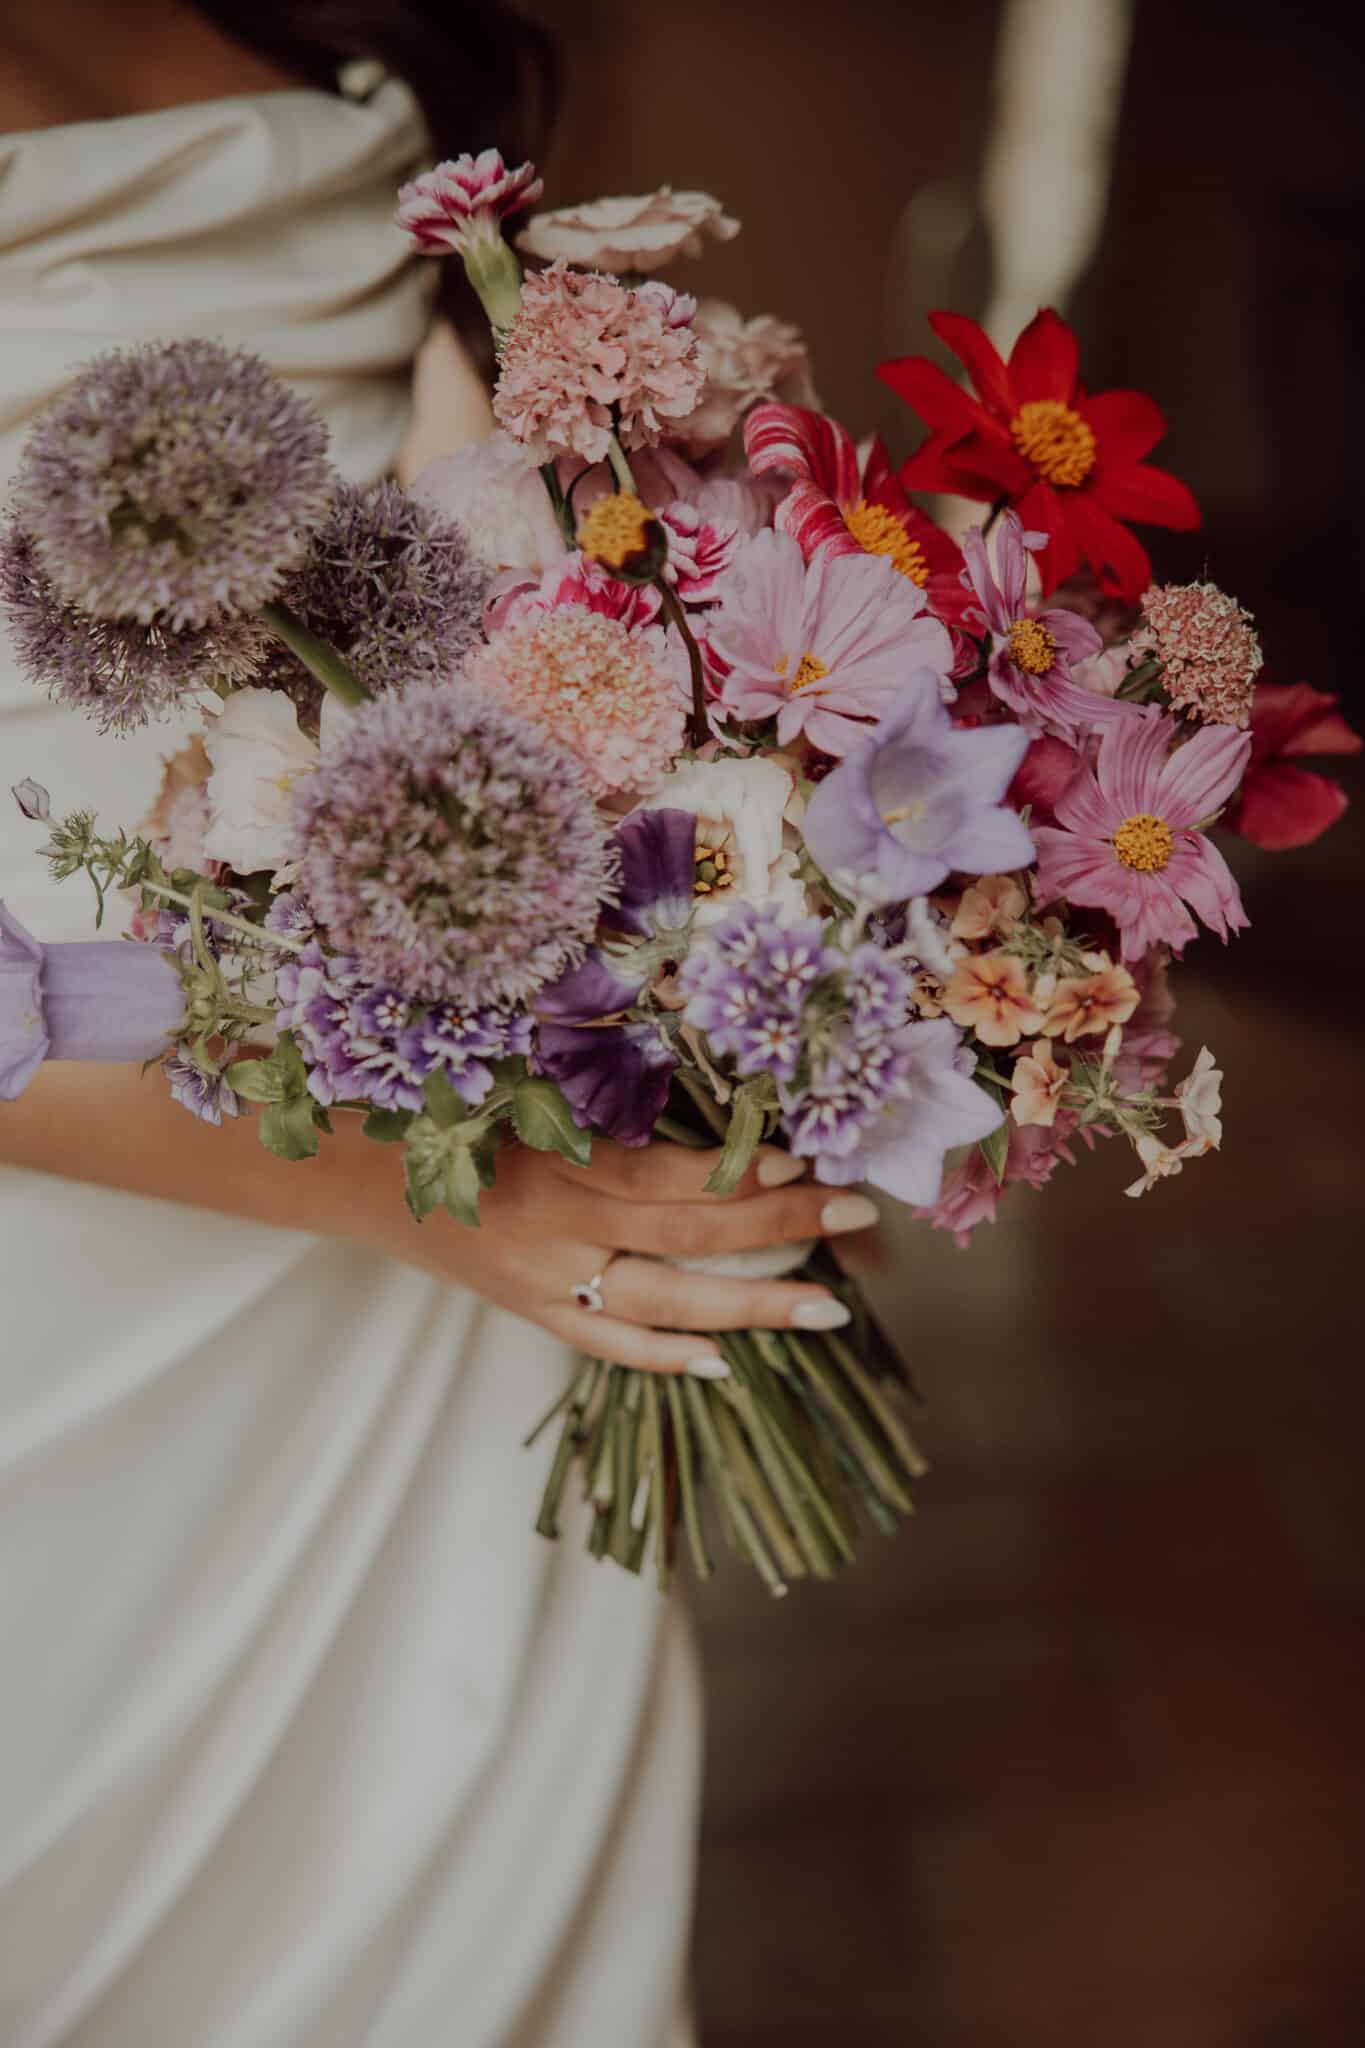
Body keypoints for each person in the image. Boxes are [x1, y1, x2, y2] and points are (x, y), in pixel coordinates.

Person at [0, 6, 879, 2043]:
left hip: (451, 1152)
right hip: (113, 1248)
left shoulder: (306, 12)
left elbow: (438, 516)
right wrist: (433, 1205)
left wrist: (732, 986)